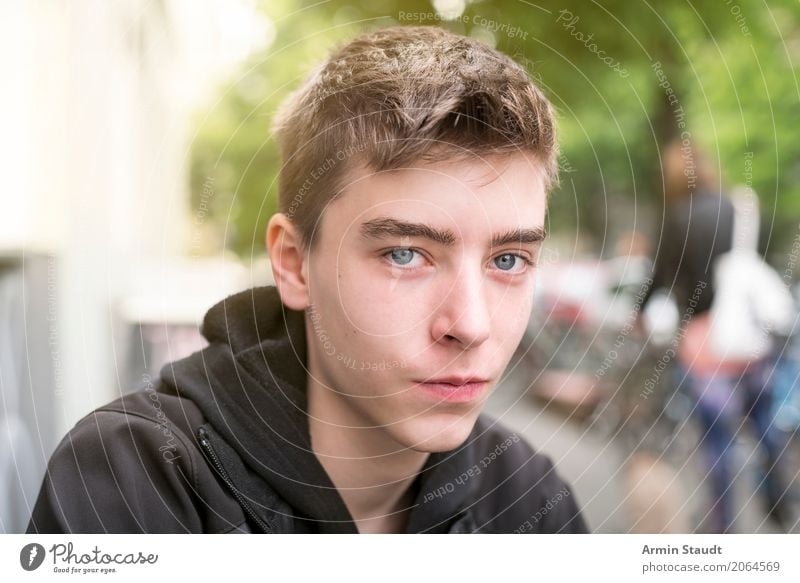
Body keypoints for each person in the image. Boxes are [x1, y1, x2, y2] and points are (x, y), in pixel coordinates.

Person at [27, 26, 587, 534]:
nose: (470, 324)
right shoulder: (134, 477)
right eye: (405, 254)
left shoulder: (525, 496)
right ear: (294, 264)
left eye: (508, 260)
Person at [643, 140, 794, 533]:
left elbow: (660, 279)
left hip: (704, 345)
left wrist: (640, 313)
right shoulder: (738, 208)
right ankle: (781, 499)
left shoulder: (677, 218)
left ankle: (723, 528)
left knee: (716, 440)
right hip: (748, 342)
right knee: (764, 423)